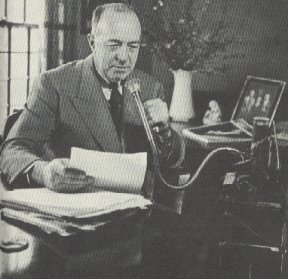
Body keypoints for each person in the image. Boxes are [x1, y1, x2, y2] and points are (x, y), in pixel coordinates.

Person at [0, 3, 184, 193]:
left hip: (137, 212)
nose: (124, 57)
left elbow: (168, 165)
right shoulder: (54, 84)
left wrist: (166, 133)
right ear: (92, 42)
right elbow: (12, 151)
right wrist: (45, 172)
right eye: (114, 45)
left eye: (132, 46)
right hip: (76, 209)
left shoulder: (149, 88)